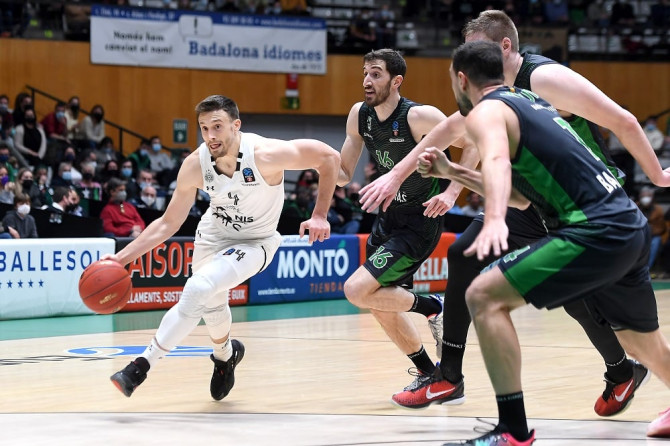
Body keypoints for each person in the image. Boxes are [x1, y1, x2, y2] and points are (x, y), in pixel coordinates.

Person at [365, 10, 665, 417]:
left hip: (587, 209)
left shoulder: (541, 81)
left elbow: (621, 121)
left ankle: (607, 376)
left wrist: (657, 176)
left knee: (587, 309)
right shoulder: (506, 96)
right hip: (564, 205)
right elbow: (456, 138)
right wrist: (409, 175)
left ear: (501, 49)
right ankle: (450, 376)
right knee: (466, 257)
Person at [424, 39, 670, 444]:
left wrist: (495, 219)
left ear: (461, 79)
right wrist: (453, 171)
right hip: (628, 224)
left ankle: (513, 431)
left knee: (483, 295)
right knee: (637, 339)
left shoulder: (485, 111)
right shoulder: (529, 102)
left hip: (594, 229)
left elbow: (497, 162)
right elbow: (522, 197)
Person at [104, 94, 339, 400]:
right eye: (204, 128)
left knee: (199, 287)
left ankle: (140, 366)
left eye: (217, 126)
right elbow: (168, 223)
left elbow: (328, 157)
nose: (210, 135)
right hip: (213, 235)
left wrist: (319, 214)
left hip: (256, 242)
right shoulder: (195, 164)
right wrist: (121, 259)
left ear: (235, 125)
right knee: (212, 304)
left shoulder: (265, 154)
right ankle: (226, 357)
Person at [338, 49, 474, 399]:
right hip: (387, 218)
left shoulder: (419, 116)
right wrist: (311, 163)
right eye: (365, 73)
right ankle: (431, 374)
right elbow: (342, 173)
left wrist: (453, 192)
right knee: (377, 302)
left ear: (396, 81)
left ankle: (432, 306)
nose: (367, 80)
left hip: (420, 221)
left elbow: (473, 142)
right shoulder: (359, 115)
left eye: (376, 74)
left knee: (356, 291)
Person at [636, 187, 666, 270]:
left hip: (653, 235)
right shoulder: (634, 207)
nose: (645, 198)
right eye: (643, 196)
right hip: (638, 234)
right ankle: (634, 268)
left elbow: (661, 227)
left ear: (652, 197)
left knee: (655, 243)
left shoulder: (658, 210)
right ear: (640, 197)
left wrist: (651, 231)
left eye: (648, 196)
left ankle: (647, 268)